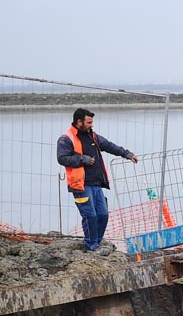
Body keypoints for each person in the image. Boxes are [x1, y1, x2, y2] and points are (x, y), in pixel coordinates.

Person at [56, 108, 137, 252]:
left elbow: (109, 146)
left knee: (103, 214)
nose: (91, 125)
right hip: (81, 185)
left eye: (92, 122)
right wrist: (83, 159)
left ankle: (97, 243)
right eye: (88, 122)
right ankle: (91, 245)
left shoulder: (93, 136)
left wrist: (127, 154)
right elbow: (62, 158)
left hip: (97, 183)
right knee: (90, 215)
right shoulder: (66, 138)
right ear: (79, 121)